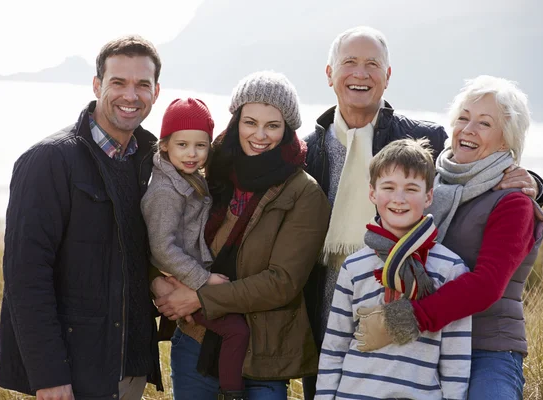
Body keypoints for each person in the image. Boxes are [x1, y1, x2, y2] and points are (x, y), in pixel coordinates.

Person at [301, 26, 543, 399]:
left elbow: (488, 278)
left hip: (467, 343)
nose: (468, 129)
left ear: (388, 76)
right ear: (329, 73)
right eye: (349, 62)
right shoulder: (309, 151)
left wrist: (535, 183)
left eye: (372, 64)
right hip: (357, 322)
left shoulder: (424, 145)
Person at [355, 75, 543, 400]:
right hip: (422, 348)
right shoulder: (428, 188)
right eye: (463, 118)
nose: (468, 129)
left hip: (485, 351)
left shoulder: (514, 202)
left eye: (484, 123)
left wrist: (405, 321)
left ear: (505, 140)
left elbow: (486, 285)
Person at [0, 35, 163, 400]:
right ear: (97, 85)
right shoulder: (49, 161)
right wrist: (48, 375)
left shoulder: (150, 162)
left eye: (142, 85)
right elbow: (26, 276)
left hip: (130, 369)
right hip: (75, 373)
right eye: (118, 82)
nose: (130, 96)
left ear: (157, 91)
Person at [152, 71, 331, 400]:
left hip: (262, 354)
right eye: (250, 122)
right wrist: (158, 282)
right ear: (236, 121)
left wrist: (200, 297)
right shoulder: (211, 170)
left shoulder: (304, 193)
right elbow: (161, 232)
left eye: (272, 125)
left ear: (287, 127)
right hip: (196, 341)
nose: (259, 135)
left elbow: (282, 282)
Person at [315, 139, 471, 399]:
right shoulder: (354, 267)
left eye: (411, 188)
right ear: (373, 193)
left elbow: (455, 355)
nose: (399, 199)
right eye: (389, 187)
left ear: (429, 196)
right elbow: (335, 346)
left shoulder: (450, 268)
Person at [141, 97, 250, 398]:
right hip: (182, 278)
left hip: (187, 276)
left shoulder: (189, 179)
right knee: (236, 330)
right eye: (182, 145)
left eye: (200, 146)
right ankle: (232, 393)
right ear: (164, 145)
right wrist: (205, 280)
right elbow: (161, 249)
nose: (192, 154)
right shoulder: (165, 191)